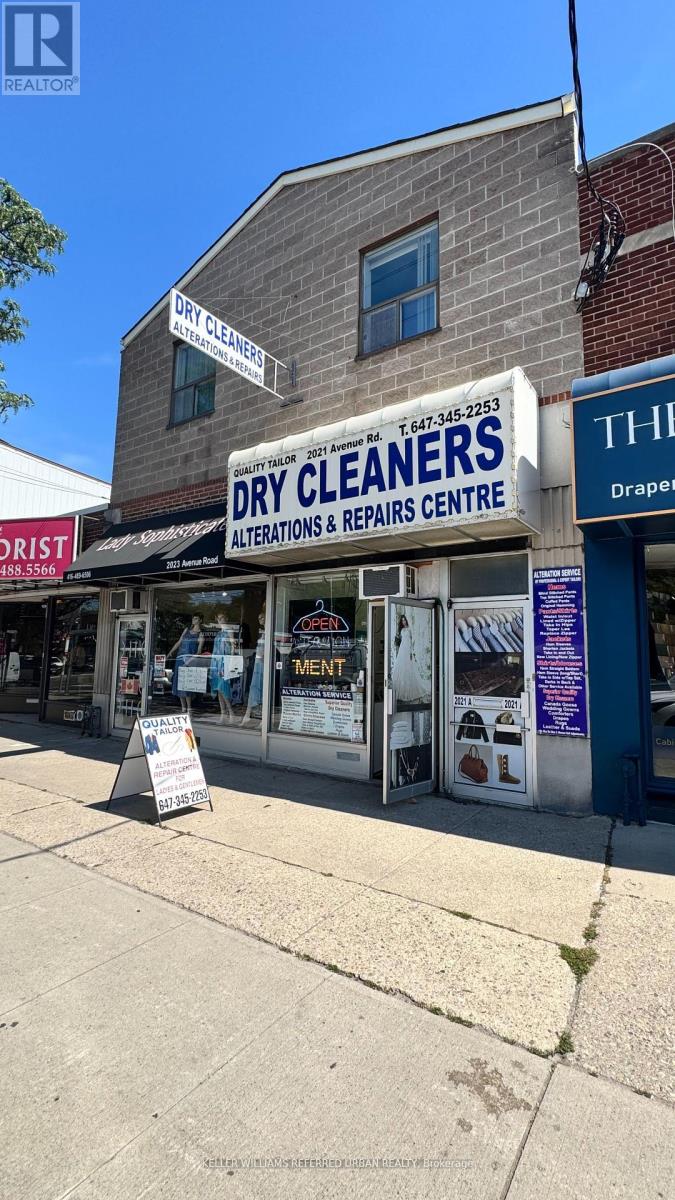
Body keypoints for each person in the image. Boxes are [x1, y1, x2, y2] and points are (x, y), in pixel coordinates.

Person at [169, 614, 204, 714]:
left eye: (196, 618)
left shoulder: (200, 634)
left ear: (200, 620)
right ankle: (183, 708)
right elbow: (179, 642)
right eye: (193, 618)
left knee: (187, 685)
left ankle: (189, 708)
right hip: (180, 659)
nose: (194, 620)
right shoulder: (186, 630)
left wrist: (189, 661)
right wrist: (171, 652)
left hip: (190, 661)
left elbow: (199, 652)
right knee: (179, 683)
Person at [391, 614, 429, 704]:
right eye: (402, 620)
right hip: (402, 650)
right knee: (401, 667)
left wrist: (411, 652)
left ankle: (411, 689)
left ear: (406, 620)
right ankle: (401, 689)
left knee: (409, 667)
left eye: (404, 620)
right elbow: (400, 641)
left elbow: (412, 642)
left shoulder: (409, 629)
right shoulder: (401, 630)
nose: (403, 622)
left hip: (408, 650)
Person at [240, 604, 266, 725]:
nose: (260, 620)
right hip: (258, 663)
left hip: (264, 664)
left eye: (262, 617)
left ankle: (263, 719)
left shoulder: (269, 632)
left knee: (263, 689)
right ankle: (248, 714)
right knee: (254, 687)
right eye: (259, 618)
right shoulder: (262, 632)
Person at [209, 612, 234, 724]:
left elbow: (233, 646)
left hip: (224, 662)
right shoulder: (219, 633)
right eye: (218, 618)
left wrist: (231, 661)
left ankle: (231, 712)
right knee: (218, 689)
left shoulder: (229, 630)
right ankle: (223, 713)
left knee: (224, 687)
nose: (220, 620)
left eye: (222, 617)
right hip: (216, 663)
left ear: (226, 618)